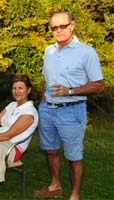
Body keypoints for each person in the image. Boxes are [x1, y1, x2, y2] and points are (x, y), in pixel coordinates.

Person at [33, 12, 105, 200]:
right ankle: (55, 186)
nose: (58, 30)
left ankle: (74, 195)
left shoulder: (86, 52)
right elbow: (46, 80)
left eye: (62, 26)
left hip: (71, 110)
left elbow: (99, 85)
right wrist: (42, 103)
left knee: (74, 156)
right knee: (51, 150)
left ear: (72, 26)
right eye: (54, 27)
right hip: (48, 109)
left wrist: (70, 91)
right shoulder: (49, 51)